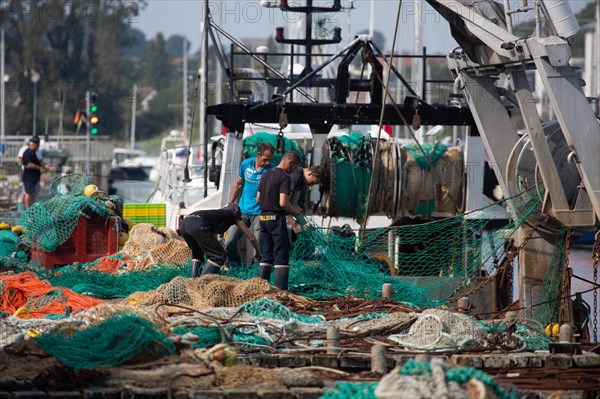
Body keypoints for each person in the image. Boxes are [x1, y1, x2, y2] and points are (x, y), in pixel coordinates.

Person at [256, 151, 303, 290]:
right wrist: (294, 211)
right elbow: (283, 203)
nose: (294, 171)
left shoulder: (266, 174)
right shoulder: (284, 177)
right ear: (290, 163)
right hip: (276, 219)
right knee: (281, 254)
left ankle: (261, 288)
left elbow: (258, 198)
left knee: (266, 254)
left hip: (263, 218)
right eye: (294, 168)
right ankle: (281, 291)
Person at [224, 142, 275, 266]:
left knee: (259, 244)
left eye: (270, 160)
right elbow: (238, 183)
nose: (268, 162)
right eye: (265, 159)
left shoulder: (271, 170)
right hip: (243, 211)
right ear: (258, 155)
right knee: (229, 242)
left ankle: (257, 274)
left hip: (260, 213)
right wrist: (230, 203)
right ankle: (236, 268)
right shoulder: (246, 164)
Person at [179, 203, 261, 277]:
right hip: (197, 225)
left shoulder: (218, 213)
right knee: (219, 256)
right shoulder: (234, 215)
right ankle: (200, 284)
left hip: (184, 224)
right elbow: (252, 237)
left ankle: (192, 282)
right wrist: (258, 251)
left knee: (198, 255)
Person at [286, 165, 324, 233]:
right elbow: (283, 204)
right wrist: (294, 224)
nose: (311, 185)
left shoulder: (301, 179)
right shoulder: (295, 177)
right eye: (312, 182)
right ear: (310, 173)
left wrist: (304, 223)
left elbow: (293, 204)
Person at [21, 136, 56, 209]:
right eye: (37, 145)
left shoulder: (35, 153)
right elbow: (29, 164)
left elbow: (41, 162)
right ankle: (27, 209)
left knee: (34, 194)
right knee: (28, 193)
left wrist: (49, 168)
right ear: (32, 144)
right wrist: (39, 168)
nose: (37, 147)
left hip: (35, 177)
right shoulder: (27, 153)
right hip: (28, 177)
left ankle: (32, 208)